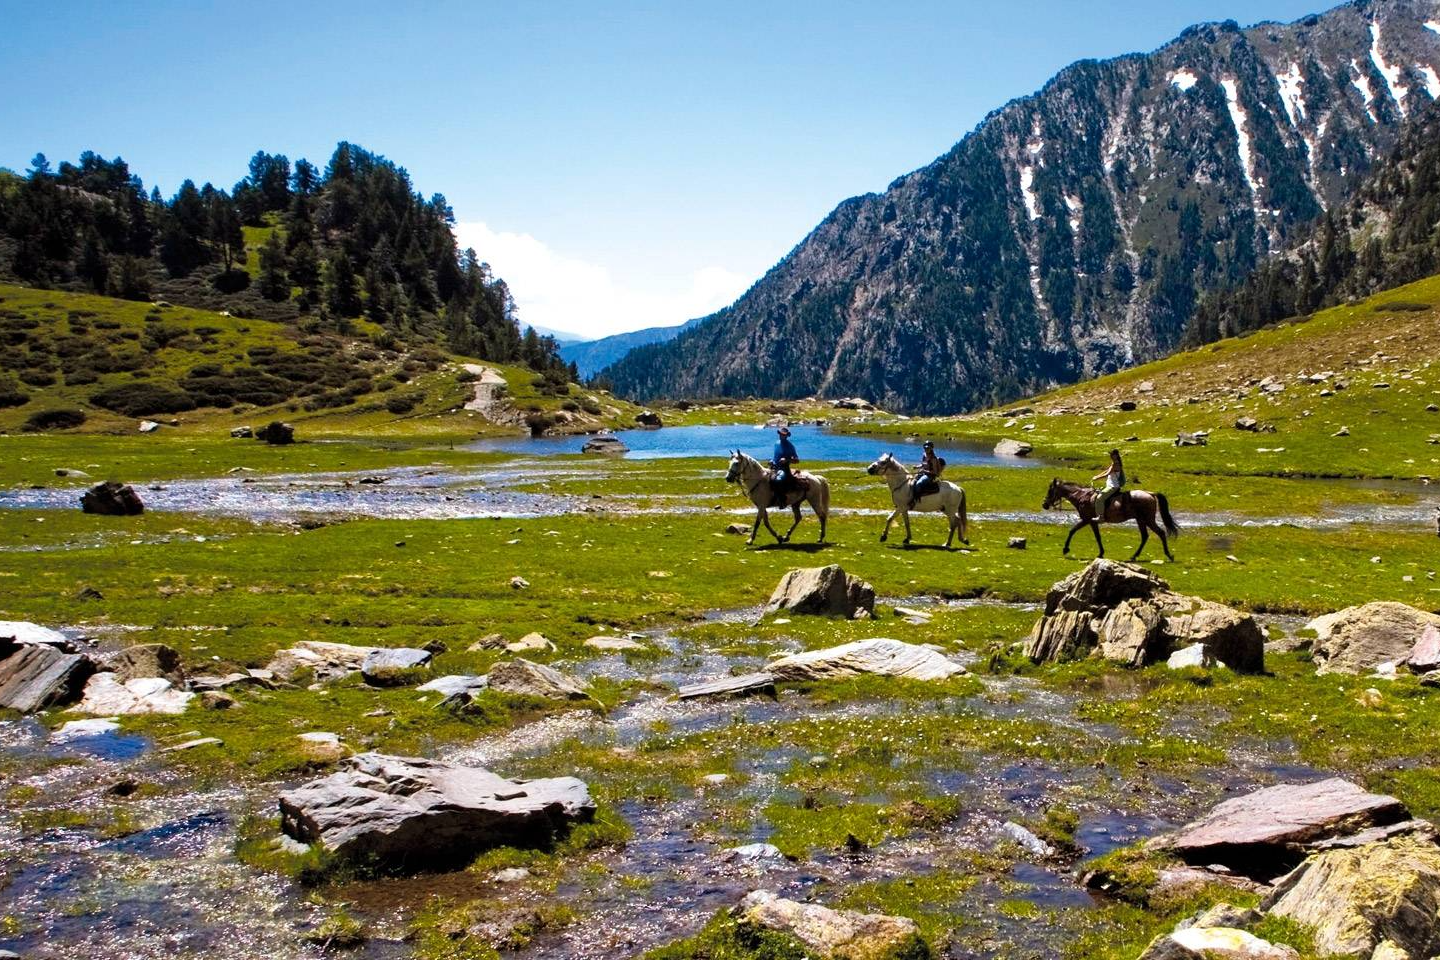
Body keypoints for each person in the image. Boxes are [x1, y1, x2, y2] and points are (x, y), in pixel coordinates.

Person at [909, 440, 944, 507]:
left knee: (919, 484)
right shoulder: (924, 455)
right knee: (911, 481)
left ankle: (915, 501)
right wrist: (916, 467)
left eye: (928, 448)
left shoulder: (933, 459)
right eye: (925, 448)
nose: (926, 449)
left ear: (931, 449)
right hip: (924, 473)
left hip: (930, 476)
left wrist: (924, 471)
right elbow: (923, 464)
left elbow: (935, 472)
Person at [1093, 448, 1126, 519]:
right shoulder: (1114, 463)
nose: (1111, 456)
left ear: (1116, 455)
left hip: (1113, 486)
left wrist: (1097, 478)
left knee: (1099, 498)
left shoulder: (1116, 464)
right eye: (1111, 454)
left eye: (1112, 455)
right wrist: (1097, 475)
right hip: (1110, 485)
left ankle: (1101, 516)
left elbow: (1107, 474)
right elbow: (1106, 471)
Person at [771, 426, 800, 503]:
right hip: (774, 467)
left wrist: (787, 460)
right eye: (780, 434)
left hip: (784, 469)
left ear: (787, 436)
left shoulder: (790, 446)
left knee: (778, 480)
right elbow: (775, 456)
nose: (781, 436)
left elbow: (797, 460)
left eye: (783, 435)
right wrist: (772, 461)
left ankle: (782, 499)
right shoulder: (776, 443)